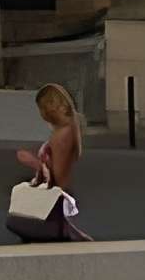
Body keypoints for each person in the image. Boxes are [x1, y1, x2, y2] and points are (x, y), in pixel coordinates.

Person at [12, 82, 89, 241]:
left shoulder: (62, 136)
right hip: (53, 202)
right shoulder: (65, 131)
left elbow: (58, 177)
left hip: (50, 202)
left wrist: (32, 161)